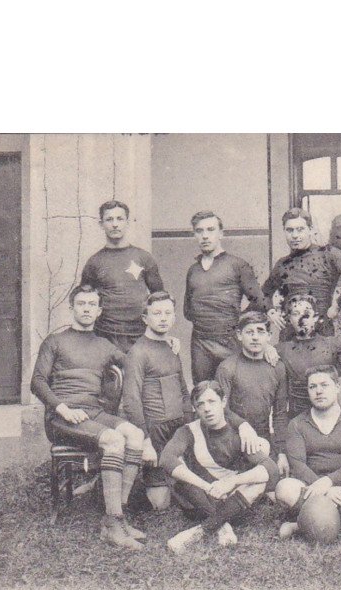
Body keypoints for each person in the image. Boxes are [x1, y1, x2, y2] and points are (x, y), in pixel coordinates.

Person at [123, 293, 267, 510]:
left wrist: (191, 423)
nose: (163, 318)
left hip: (178, 425)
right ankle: (125, 490)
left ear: (174, 317)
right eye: (157, 313)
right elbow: (131, 399)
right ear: (145, 318)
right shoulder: (138, 352)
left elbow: (183, 389)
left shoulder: (171, 347)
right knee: (160, 504)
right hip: (155, 429)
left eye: (168, 313)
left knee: (192, 487)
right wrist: (145, 440)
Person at [30, 284, 146, 550]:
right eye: (81, 304)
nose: (86, 309)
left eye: (91, 305)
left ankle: (117, 517)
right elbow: (37, 382)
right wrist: (61, 408)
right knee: (115, 440)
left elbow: (134, 361)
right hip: (62, 418)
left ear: (99, 311)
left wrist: (165, 341)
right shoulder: (55, 341)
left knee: (135, 435)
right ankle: (113, 524)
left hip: (93, 413)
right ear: (72, 308)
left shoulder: (104, 345)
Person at [161, 381, 279, 554]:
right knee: (179, 472)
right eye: (200, 404)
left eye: (212, 402)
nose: (207, 409)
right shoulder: (188, 431)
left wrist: (232, 482)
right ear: (195, 408)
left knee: (258, 480)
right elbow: (166, 459)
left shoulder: (239, 433)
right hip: (200, 500)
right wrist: (207, 487)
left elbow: (272, 469)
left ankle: (202, 530)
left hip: (233, 502)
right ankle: (221, 524)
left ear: (223, 402)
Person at [275, 365, 341, 539]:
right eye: (312, 387)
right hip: (310, 487)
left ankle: (300, 525)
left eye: (324, 385)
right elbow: (298, 465)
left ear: (337, 387)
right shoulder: (297, 424)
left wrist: (329, 482)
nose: (318, 391)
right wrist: (322, 488)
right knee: (283, 488)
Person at [183, 210, 273, 382]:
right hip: (200, 343)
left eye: (210, 230)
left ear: (221, 233)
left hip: (230, 341)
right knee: (204, 393)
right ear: (194, 234)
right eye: (199, 231)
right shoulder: (193, 270)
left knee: (235, 391)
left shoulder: (237, 265)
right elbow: (187, 311)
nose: (205, 236)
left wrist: (236, 319)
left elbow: (259, 302)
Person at [262, 208, 341, 340]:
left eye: (300, 229)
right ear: (284, 231)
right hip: (290, 335)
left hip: (321, 330)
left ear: (311, 229)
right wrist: (271, 311)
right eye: (289, 230)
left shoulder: (329, 254)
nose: (295, 235)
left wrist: (337, 305)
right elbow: (263, 294)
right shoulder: (282, 264)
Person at [276, 293, 341, 420]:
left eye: (307, 313)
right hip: (299, 418)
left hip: (330, 416)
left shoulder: (332, 344)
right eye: (296, 314)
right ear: (289, 319)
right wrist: (267, 350)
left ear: (315, 317)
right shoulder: (282, 349)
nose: (302, 319)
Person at [81, 200, 165, 353]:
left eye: (119, 219)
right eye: (109, 219)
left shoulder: (144, 258)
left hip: (140, 334)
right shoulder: (94, 262)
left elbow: (160, 298)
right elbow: (84, 299)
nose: (115, 224)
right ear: (101, 224)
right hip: (105, 335)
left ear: (128, 222)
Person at [215, 310, 290, 478]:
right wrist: (242, 426)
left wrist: (282, 453)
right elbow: (221, 409)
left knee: (274, 487)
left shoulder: (277, 368)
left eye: (260, 331)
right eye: (249, 332)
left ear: (269, 336)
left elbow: (279, 413)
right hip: (232, 437)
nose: (255, 337)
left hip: (263, 437)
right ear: (239, 335)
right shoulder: (227, 367)